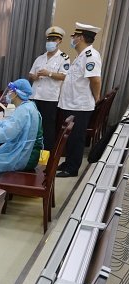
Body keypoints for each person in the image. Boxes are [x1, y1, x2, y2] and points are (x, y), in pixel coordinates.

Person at [56, 22, 102, 178]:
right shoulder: (81, 56)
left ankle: (72, 168)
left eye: (74, 36)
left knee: (76, 137)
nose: (73, 39)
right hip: (71, 103)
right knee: (69, 137)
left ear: (80, 37)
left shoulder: (91, 56)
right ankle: (68, 162)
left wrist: (96, 98)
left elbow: (95, 80)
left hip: (80, 105)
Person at [29, 26, 70, 151]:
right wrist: (34, 76)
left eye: (54, 39)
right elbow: (30, 74)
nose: (50, 42)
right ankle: (32, 149)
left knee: (47, 127)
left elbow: (64, 76)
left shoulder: (64, 58)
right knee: (33, 125)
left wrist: (49, 74)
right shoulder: (40, 58)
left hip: (49, 98)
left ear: (60, 41)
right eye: (49, 39)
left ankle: (47, 153)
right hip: (35, 96)